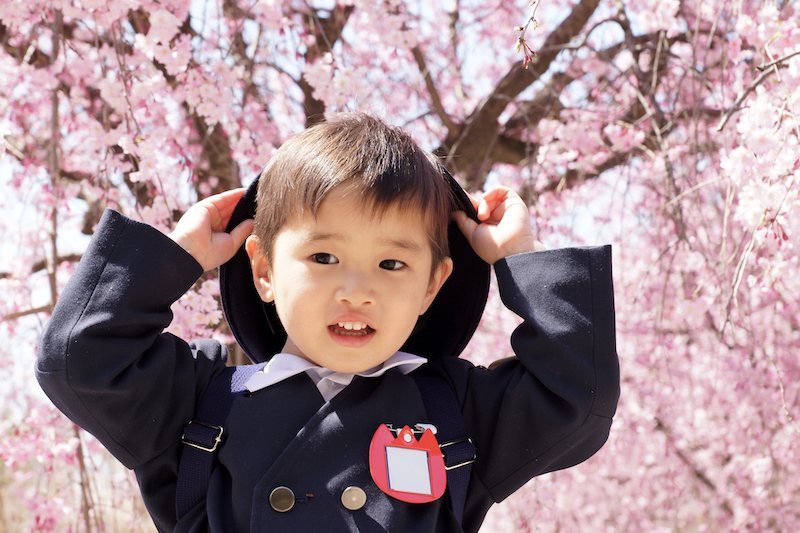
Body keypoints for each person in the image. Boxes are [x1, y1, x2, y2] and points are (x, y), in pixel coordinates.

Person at [36, 113, 619, 532]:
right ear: (263, 269)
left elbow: (578, 397)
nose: (356, 291)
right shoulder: (201, 402)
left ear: (432, 285)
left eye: (392, 263)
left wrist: (521, 260)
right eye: (323, 258)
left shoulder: (455, 411)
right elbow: (79, 358)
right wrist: (175, 256)